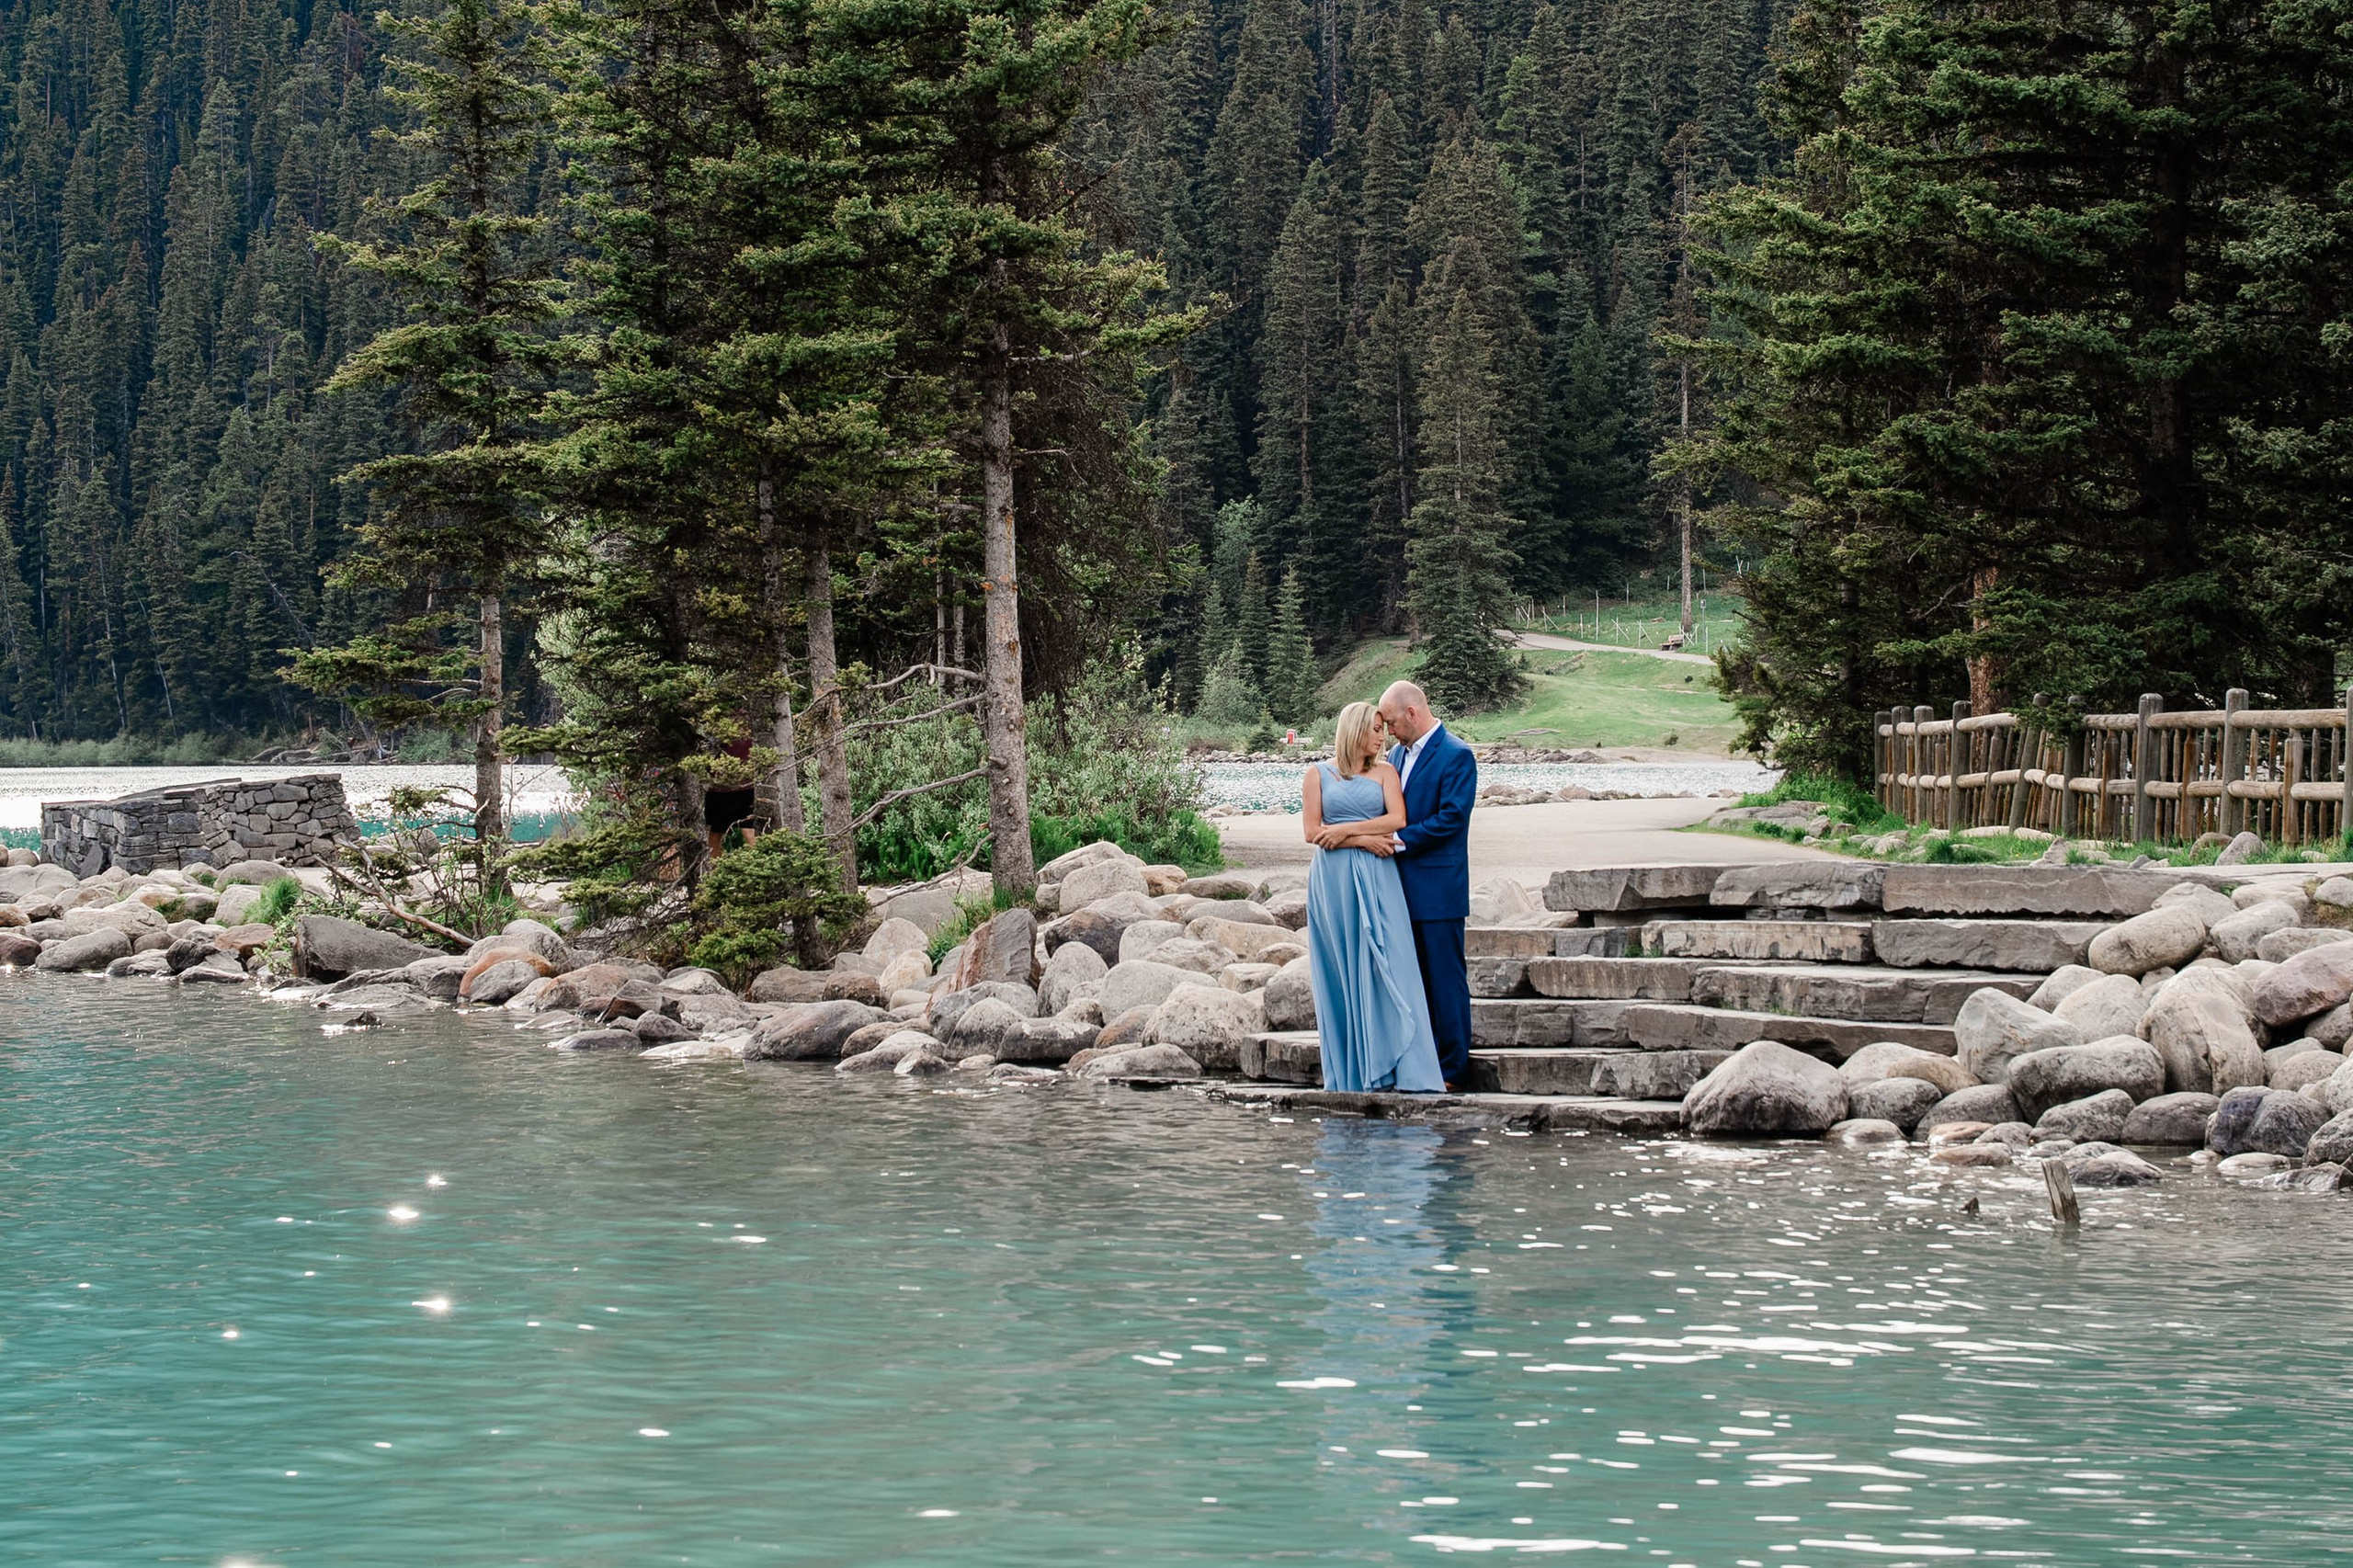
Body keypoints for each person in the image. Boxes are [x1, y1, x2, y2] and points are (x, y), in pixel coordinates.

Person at [1300, 700, 1446, 1094]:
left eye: (1384, 729)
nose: (1384, 738)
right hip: (1334, 880)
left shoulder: (1386, 772)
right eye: (1376, 730)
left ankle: (1402, 1065)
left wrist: (1347, 831)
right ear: (1355, 730)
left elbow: (1398, 819)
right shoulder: (1317, 774)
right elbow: (1312, 832)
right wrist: (1363, 839)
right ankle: (1353, 1071)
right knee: (1342, 966)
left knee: (1391, 959)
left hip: (1380, 876)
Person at [1376, 680, 1476, 1088]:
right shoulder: (1396, 756)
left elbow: (1453, 818)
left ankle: (1452, 1067)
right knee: (1411, 978)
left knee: (1445, 978)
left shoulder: (1456, 754)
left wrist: (1399, 840)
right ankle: (1419, 1059)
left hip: (1439, 890)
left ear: (1412, 713)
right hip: (1399, 887)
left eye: (1393, 723)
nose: (1390, 732)